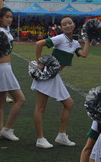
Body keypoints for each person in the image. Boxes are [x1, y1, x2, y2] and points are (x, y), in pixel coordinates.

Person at [32, 15, 91, 149]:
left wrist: (88, 39)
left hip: (55, 76)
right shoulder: (60, 38)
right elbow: (39, 44)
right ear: (61, 27)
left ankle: (61, 136)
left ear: (74, 24)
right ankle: (40, 138)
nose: (67, 26)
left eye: (70, 23)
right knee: (40, 107)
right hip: (47, 74)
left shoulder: (75, 43)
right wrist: (38, 62)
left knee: (69, 104)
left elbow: (84, 54)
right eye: (64, 24)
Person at [0, 7, 26, 141]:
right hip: (3, 68)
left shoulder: (5, 30)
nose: (10, 19)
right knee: (20, 99)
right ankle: (7, 129)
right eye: (7, 16)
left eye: (11, 17)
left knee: (0, 102)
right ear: (0, 18)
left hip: (2, 67)